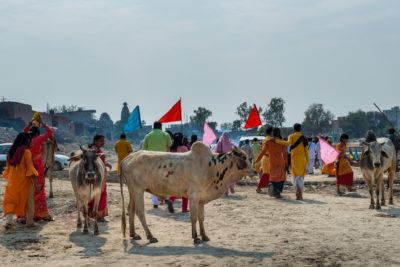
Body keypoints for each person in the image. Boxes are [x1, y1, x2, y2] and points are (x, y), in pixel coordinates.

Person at [2, 133, 39, 232]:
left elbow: (8, 169)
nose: (30, 142)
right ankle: (30, 223)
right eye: (29, 140)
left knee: (11, 201)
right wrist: (36, 182)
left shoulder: (10, 152)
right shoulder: (26, 151)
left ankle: (8, 223)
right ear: (26, 141)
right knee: (30, 201)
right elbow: (30, 168)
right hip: (25, 181)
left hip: (12, 181)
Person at [22, 116, 54, 221]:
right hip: (37, 167)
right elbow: (50, 133)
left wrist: (29, 125)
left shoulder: (25, 140)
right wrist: (44, 124)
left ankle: (25, 215)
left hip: (26, 167)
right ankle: (41, 214)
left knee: (27, 190)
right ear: (37, 134)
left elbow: (23, 131)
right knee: (39, 190)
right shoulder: (37, 140)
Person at [272, 123, 309, 200]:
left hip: (295, 159)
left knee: (295, 177)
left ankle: (298, 193)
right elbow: (306, 151)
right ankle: (300, 193)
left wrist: (276, 141)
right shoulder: (304, 138)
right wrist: (308, 163)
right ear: (300, 129)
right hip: (303, 160)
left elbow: (287, 143)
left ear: (294, 129)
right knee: (301, 177)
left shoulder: (291, 136)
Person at [143, 121, 172, 208]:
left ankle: (155, 203)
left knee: (152, 183)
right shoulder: (166, 135)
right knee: (165, 181)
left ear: (153, 127)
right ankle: (166, 198)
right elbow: (169, 147)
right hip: (163, 161)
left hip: (151, 162)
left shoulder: (148, 136)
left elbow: (144, 149)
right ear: (161, 127)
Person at [255, 128, 288, 198]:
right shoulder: (282, 142)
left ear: (272, 133)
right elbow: (285, 154)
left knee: (272, 176)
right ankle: (277, 193)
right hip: (280, 161)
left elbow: (262, 152)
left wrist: (257, 160)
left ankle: (271, 185)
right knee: (281, 177)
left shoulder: (268, 142)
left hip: (272, 161)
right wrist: (286, 164)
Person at [88, 134, 112, 221]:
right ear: (95, 141)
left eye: (103, 141)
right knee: (99, 194)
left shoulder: (96, 149)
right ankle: (98, 215)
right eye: (101, 141)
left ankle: (96, 214)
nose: (103, 143)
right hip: (96, 176)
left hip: (101, 175)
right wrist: (105, 164)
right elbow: (92, 163)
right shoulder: (93, 150)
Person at [166, 132, 189, 213]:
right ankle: (184, 208)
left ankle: (171, 200)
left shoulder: (170, 148)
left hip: (171, 171)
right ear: (182, 139)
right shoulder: (184, 148)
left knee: (175, 188)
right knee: (185, 190)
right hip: (182, 171)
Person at [256, 127, 273, 194]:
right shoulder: (270, 139)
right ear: (271, 132)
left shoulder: (265, 139)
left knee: (267, 174)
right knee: (266, 174)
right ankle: (258, 188)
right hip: (268, 158)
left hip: (265, 158)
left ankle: (266, 187)